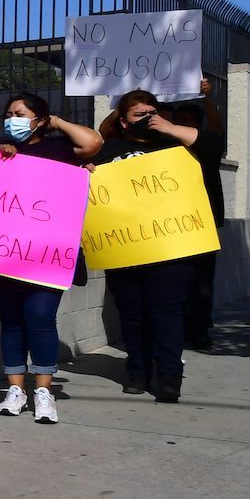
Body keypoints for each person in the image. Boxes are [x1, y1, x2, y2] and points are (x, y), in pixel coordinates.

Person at [89, 90, 215, 403]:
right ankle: (137, 372)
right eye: (138, 115)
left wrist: (169, 127)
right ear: (123, 121)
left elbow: (214, 146)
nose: (146, 119)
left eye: (150, 113)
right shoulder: (111, 149)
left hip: (172, 247)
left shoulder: (176, 145)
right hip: (125, 248)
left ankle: (170, 376)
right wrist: (89, 176)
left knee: (168, 311)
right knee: (132, 313)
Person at [0, 92, 103, 424]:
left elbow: (93, 142)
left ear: (41, 118)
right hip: (5, 252)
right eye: (8, 113)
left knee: (39, 317)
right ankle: (15, 390)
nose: (12, 119)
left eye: (20, 113)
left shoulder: (62, 150)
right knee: (10, 323)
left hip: (48, 253)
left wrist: (58, 123)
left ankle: (44, 391)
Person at [171, 97, 226, 350]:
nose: (182, 126)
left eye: (188, 123)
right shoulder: (165, 148)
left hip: (202, 224)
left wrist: (208, 99)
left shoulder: (208, 148)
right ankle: (180, 328)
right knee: (176, 282)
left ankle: (200, 331)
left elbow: (216, 127)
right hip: (169, 226)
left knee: (202, 282)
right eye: (178, 122)